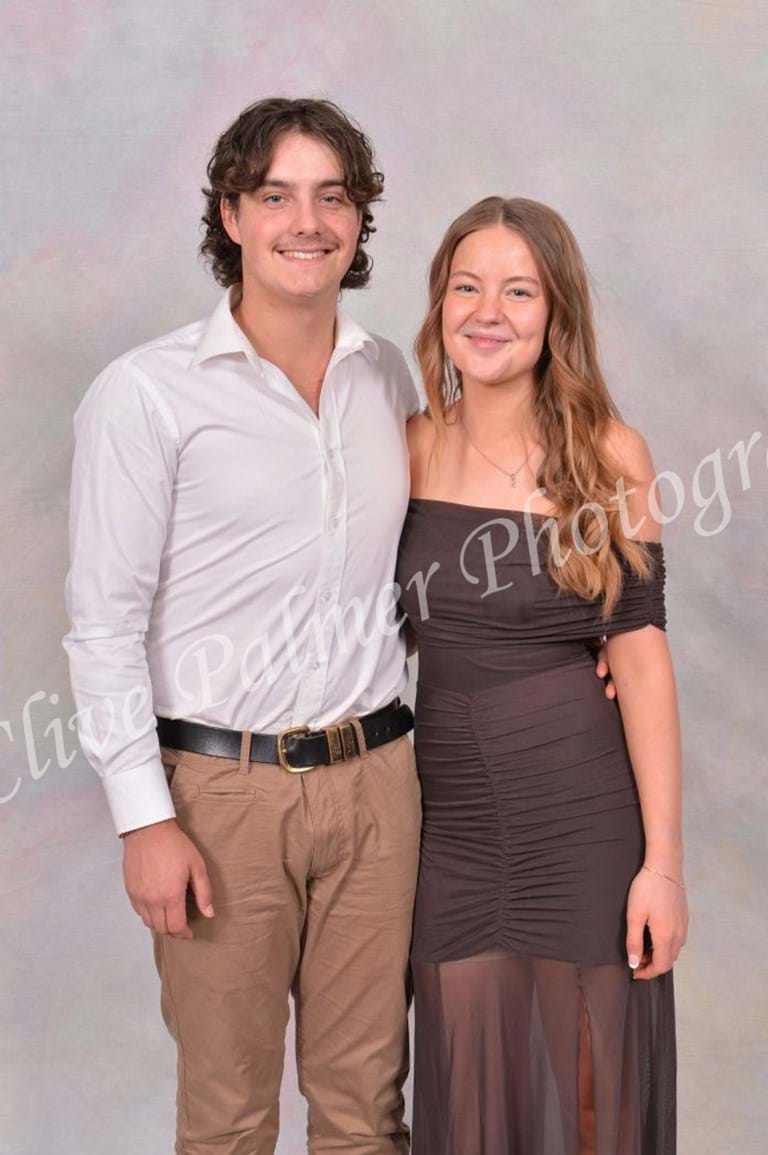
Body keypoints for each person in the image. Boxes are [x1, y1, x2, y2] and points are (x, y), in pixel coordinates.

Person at [62, 99, 615, 1152]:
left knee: (367, 1113)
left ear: (360, 220)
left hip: (380, 790)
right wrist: (144, 819)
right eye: (275, 196)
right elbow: (103, 627)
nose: (305, 222)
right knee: (229, 1117)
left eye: (332, 196)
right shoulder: (145, 396)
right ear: (232, 216)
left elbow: (420, 573)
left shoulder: (387, 378)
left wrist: (568, 652)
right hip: (220, 796)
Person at [396, 197, 688, 1154]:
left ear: (556, 311)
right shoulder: (408, 445)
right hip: (451, 835)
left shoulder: (611, 454)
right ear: (440, 303)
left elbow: (640, 660)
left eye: (518, 291)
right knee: (470, 1101)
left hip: (584, 825)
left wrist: (663, 863)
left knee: (591, 1101)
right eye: (467, 287)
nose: (489, 312)